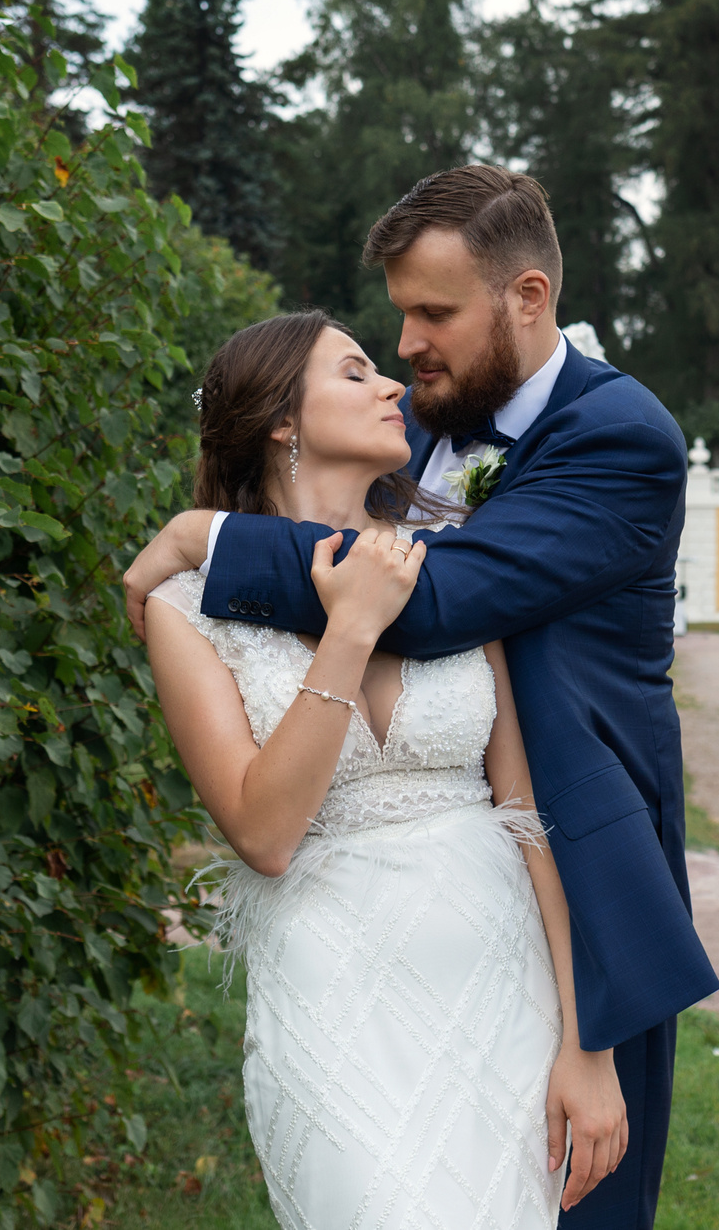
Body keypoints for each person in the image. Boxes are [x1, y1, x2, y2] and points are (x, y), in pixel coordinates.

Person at [126, 165, 717, 1229]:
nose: (403, 354)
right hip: (340, 961)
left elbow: (435, 596)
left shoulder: (617, 436)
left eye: (430, 313)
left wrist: (199, 536)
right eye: (392, 322)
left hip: (569, 891)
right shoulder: (435, 428)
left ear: (525, 298)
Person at [145, 310, 624, 1228]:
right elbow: (264, 834)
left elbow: (527, 818)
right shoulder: (184, 610)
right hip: (333, 989)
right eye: (357, 371)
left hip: (498, 979)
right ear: (283, 418)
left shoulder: (459, 570)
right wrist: (352, 626)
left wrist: (585, 1044)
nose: (393, 384)